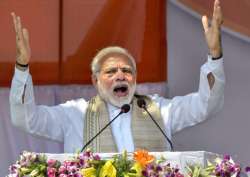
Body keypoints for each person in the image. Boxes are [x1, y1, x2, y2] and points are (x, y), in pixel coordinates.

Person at [10, 0, 224, 153]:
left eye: (127, 70)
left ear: (135, 78)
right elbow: (27, 119)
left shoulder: (159, 111)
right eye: (111, 71)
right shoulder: (75, 114)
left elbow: (205, 106)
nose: (120, 75)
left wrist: (215, 56)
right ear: (95, 81)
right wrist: (22, 66)